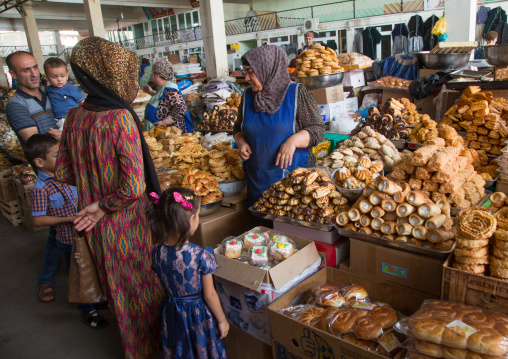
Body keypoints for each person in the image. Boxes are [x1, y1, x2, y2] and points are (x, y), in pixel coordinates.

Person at [55, 37, 163, 358]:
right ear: (110, 77)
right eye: (129, 77)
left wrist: (93, 182)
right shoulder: (119, 118)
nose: (133, 84)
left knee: (118, 295)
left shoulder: (75, 116)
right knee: (143, 295)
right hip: (128, 227)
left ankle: (132, 348)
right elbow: (133, 188)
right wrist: (104, 205)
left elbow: (63, 173)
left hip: (95, 229)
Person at [25, 134, 108, 329]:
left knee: (95, 267)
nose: (63, 157)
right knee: (81, 274)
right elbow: (38, 220)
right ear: (39, 162)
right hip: (69, 239)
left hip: (90, 233)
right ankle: (87, 310)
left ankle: (97, 298)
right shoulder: (41, 188)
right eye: (56, 155)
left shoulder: (70, 176)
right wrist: (69, 218)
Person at [233, 45, 325, 206]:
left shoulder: (296, 93)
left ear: (267, 69)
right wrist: (241, 142)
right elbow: (238, 129)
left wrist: (293, 141)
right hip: (258, 180)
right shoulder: (248, 96)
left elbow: (317, 129)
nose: (246, 78)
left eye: (250, 72)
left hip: (295, 184)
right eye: (245, 72)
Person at [5, 51, 62, 304]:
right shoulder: (16, 105)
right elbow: (34, 143)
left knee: (68, 224)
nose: (32, 74)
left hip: (67, 166)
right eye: (25, 70)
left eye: (34, 68)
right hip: (48, 174)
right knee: (57, 227)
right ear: (14, 75)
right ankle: (47, 280)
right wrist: (68, 136)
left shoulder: (51, 92)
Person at [147, 187, 229, 358]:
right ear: (191, 219)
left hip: (170, 313)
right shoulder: (200, 255)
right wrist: (222, 320)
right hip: (197, 316)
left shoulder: (156, 253)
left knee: (179, 351)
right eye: (197, 216)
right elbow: (210, 295)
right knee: (201, 351)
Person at [143, 60, 193, 133]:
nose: (151, 76)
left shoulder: (170, 89)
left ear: (157, 75)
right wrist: (150, 91)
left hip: (168, 135)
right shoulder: (163, 89)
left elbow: (181, 108)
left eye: (152, 73)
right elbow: (164, 100)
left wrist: (164, 122)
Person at [44, 57, 85, 130]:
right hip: (57, 119)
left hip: (72, 118)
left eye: (62, 76)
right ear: (47, 78)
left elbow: (83, 102)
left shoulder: (71, 89)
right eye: (54, 77)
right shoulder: (48, 90)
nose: (59, 79)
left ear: (67, 75)